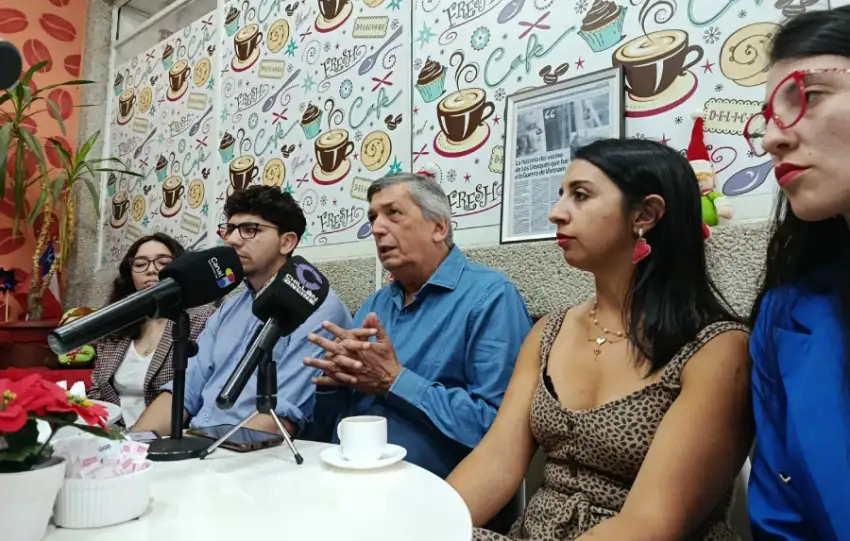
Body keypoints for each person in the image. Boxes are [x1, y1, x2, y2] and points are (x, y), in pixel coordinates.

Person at [446, 139, 753, 540]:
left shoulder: (716, 348)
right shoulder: (549, 332)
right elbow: (496, 461)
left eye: (580, 195)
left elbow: (649, 524)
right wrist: (422, 524)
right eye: (561, 195)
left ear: (645, 214)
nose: (556, 212)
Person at [303, 171, 532, 478]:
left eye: (393, 213)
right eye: (373, 218)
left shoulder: (490, 297)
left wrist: (395, 381)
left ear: (439, 227)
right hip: (344, 476)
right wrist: (334, 383)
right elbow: (324, 427)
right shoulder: (374, 305)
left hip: (434, 489)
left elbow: (497, 428)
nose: (377, 228)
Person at [743, 8, 850, 540]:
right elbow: (782, 521)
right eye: (767, 116)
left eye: (808, 95)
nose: (771, 138)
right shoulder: (785, 315)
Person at [133, 186, 352, 437]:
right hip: (200, 443)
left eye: (250, 230)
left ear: (287, 242)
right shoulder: (228, 309)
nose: (232, 240)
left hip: (254, 452)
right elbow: (183, 392)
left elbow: (280, 418)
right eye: (230, 229)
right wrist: (130, 446)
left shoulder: (319, 308)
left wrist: (204, 454)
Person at [90, 233, 214, 427]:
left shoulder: (202, 319)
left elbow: (199, 392)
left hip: (168, 435)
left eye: (162, 262)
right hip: (114, 434)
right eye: (140, 264)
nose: (151, 270)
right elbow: (97, 390)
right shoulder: (117, 322)